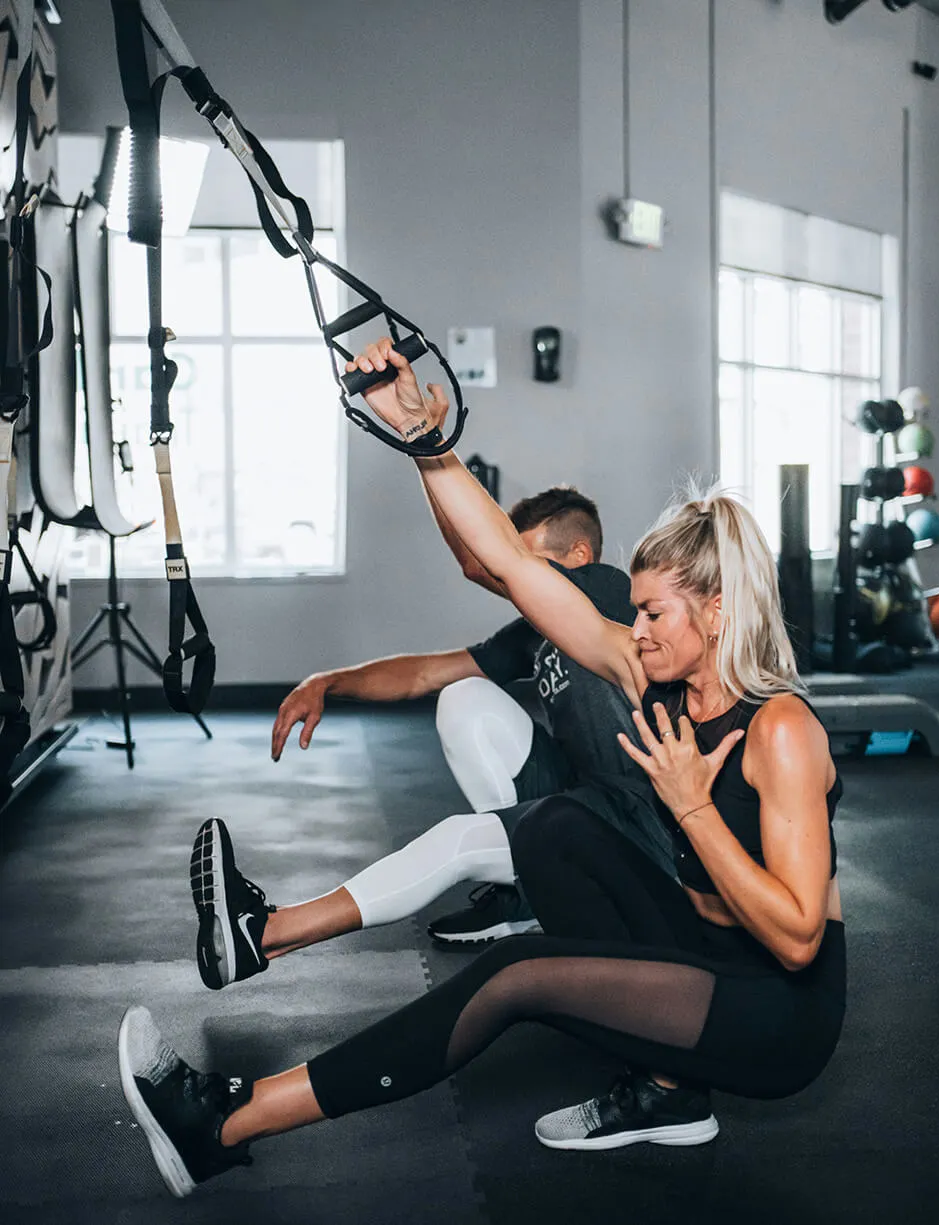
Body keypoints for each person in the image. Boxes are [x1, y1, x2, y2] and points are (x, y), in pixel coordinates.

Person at [118, 340, 846, 1197]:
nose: (636, 629)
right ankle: (670, 1090)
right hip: (706, 952)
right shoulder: (650, 674)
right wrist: (427, 441)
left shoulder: (781, 728)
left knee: (512, 977)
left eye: (654, 612)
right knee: (557, 826)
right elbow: (505, 560)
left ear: (718, 609)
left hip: (776, 1014)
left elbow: (799, 940)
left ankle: (225, 1120)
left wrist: (691, 808)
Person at [262, 481, 672, 952]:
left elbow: (481, 564)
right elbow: (424, 675)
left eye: (534, 561)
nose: (521, 577)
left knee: (458, 842)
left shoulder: (606, 585)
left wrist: (424, 446)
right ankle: (525, 893)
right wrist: (328, 682)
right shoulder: (534, 634)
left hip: (635, 816)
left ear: (579, 555)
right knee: (462, 696)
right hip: (578, 795)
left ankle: (276, 931)